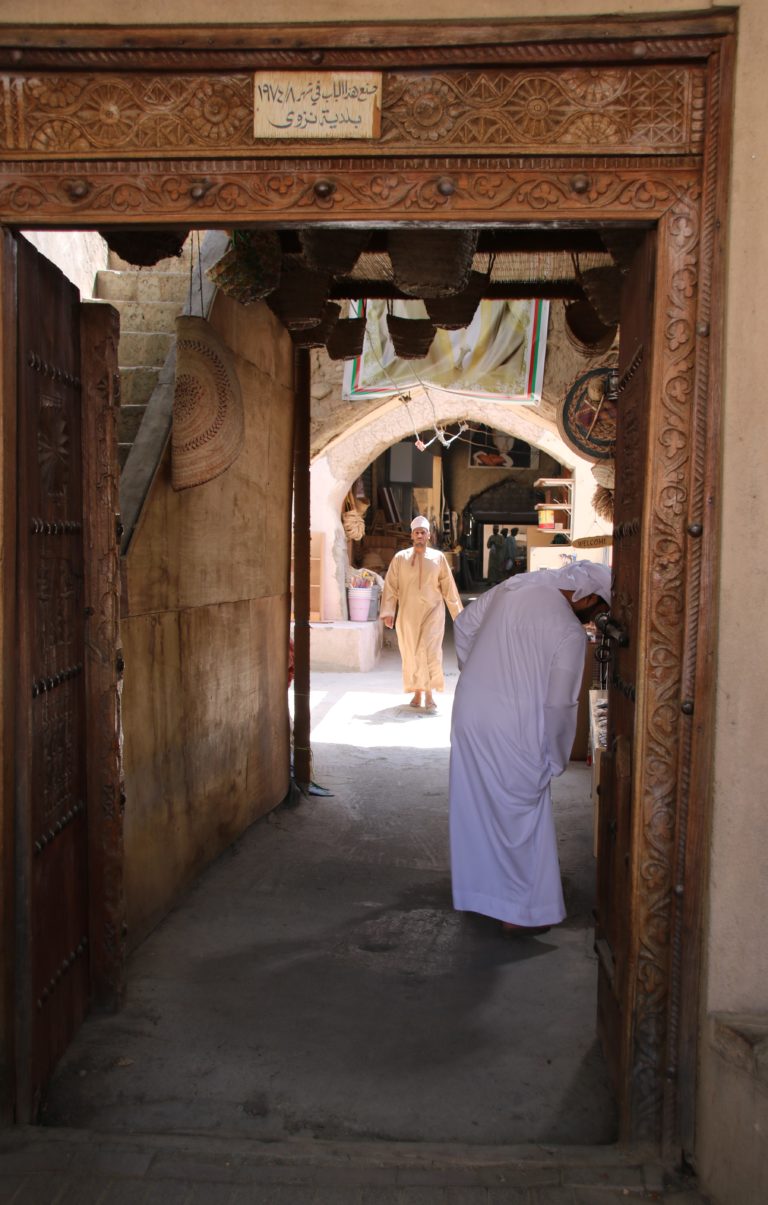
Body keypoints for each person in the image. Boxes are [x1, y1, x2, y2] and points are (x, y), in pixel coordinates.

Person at [448, 560, 611, 934]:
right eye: (598, 612)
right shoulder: (569, 633)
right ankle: (519, 914)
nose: (592, 622)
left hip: (470, 712)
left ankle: (480, 897)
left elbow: (463, 625)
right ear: (587, 598)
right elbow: (558, 705)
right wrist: (555, 757)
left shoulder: (516, 587)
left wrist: (480, 672)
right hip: (516, 725)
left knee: (477, 807)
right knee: (521, 815)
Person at [380, 515, 463, 711]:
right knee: (411, 653)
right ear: (412, 535)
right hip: (408, 615)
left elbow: (449, 587)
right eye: (416, 532)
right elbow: (390, 586)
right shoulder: (400, 558)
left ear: (429, 535)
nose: (419, 536)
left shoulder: (438, 558)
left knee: (431, 652)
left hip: (433, 612)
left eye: (423, 533)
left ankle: (429, 694)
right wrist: (389, 611)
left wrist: (458, 614)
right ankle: (417, 692)